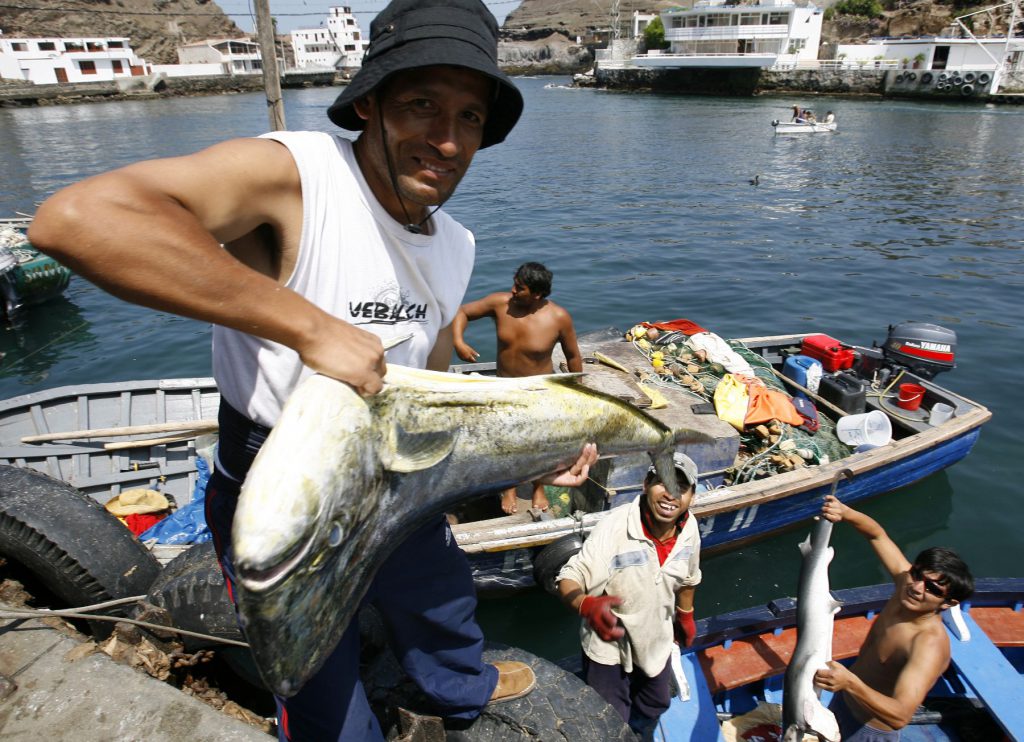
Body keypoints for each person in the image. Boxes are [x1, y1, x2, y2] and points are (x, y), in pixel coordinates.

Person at [28, 1, 598, 739]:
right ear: (368, 103)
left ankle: (460, 692)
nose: (447, 139)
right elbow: (75, 221)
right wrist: (308, 327)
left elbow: (426, 391)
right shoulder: (296, 176)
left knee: (438, 597)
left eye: (470, 118)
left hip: (396, 475)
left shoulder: (455, 243)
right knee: (314, 676)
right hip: (282, 484)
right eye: (421, 104)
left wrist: (528, 454)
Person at [556, 452, 702, 737]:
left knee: (656, 702)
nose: (671, 494)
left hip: (655, 638)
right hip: (610, 643)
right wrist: (586, 604)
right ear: (645, 485)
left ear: (691, 497)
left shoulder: (690, 529)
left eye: (681, 488)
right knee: (608, 718)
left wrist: (686, 615)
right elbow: (570, 578)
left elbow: (689, 578)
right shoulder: (615, 527)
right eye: (663, 483)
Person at [815, 495, 974, 741]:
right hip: (843, 701)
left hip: (869, 729)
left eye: (932, 589)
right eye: (917, 574)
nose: (917, 587)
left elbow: (900, 715)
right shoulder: (905, 584)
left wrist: (850, 683)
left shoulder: (927, 644)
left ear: (948, 603)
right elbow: (877, 535)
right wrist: (845, 512)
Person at [452, 261, 583, 513]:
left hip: (539, 391)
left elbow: (573, 356)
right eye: (514, 284)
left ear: (537, 294)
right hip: (505, 387)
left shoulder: (558, 317)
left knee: (539, 443)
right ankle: (509, 488)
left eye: (520, 288)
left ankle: (538, 487)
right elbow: (462, 312)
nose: (513, 290)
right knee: (506, 441)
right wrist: (459, 342)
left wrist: (577, 389)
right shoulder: (500, 304)